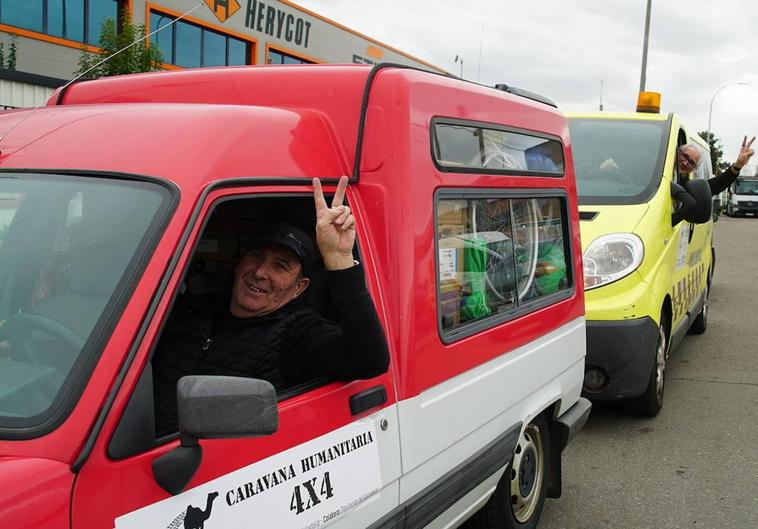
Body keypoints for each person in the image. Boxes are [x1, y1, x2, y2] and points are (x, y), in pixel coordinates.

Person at [152, 176, 390, 435]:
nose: (261, 272)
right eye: (256, 256)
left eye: (280, 266)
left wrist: (339, 259)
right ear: (239, 263)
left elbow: (370, 361)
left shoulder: (298, 333)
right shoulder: (192, 311)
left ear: (300, 287)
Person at [677, 136, 755, 195]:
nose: (685, 163)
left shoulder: (687, 187)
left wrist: (738, 165)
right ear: (678, 153)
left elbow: (716, 185)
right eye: (685, 156)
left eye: (691, 162)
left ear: (693, 169)